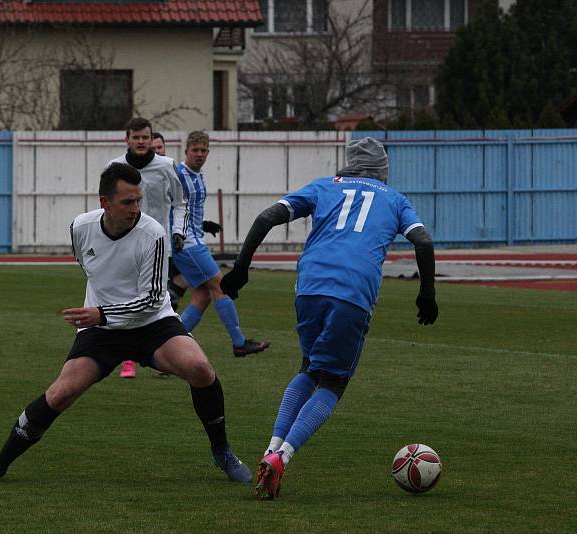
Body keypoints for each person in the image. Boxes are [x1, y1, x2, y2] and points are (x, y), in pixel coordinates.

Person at [0, 162, 252, 485]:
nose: (136, 209)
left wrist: (102, 313)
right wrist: (100, 317)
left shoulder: (153, 234)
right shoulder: (80, 227)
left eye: (138, 200)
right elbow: (93, 271)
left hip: (151, 324)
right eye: (127, 202)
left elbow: (150, 299)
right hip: (101, 332)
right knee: (60, 393)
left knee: (201, 369)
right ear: (105, 202)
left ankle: (223, 452)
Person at [220, 137, 439, 500]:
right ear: (382, 170)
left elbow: (266, 217)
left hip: (308, 288)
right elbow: (424, 242)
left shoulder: (323, 186)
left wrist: (241, 267)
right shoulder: (394, 199)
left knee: (309, 368)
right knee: (333, 383)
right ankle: (282, 457)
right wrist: (427, 293)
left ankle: (271, 451)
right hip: (351, 293)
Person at [174, 131, 270, 357]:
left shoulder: (199, 175)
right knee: (221, 286)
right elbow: (170, 207)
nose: (199, 154)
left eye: (203, 150)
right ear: (186, 151)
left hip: (195, 239)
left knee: (202, 296)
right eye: (195, 150)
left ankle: (169, 345)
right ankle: (239, 342)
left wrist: (204, 224)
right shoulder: (178, 175)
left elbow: (189, 208)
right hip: (186, 244)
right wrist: (176, 234)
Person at [109, 118, 189, 379]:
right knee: (125, 299)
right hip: (124, 245)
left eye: (145, 137)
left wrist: (178, 232)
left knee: (156, 300)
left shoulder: (167, 166)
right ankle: (128, 359)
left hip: (158, 246)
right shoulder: (114, 167)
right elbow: (106, 206)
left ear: (151, 138)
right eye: (136, 137)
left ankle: (165, 353)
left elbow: (181, 202)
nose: (141, 141)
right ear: (127, 139)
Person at [149, 131, 222, 312]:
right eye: (153, 148)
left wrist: (203, 222)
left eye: (159, 147)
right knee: (216, 287)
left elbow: (182, 206)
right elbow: (164, 209)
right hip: (169, 243)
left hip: (182, 241)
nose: (157, 151)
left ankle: (175, 333)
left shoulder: (185, 173)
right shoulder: (166, 175)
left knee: (198, 295)